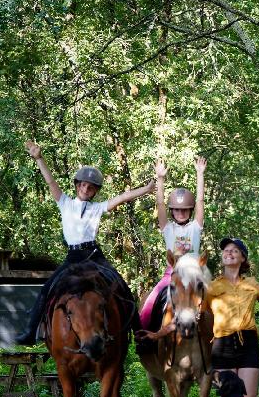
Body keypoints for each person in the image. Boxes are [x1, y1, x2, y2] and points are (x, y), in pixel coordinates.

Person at [15, 141, 155, 345]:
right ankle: (30, 332)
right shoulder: (65, 203)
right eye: (83, 185)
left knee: (121, 284)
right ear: (77, 185)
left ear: (95, 191)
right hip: (73, 256)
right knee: (47, 288)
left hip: (92, 255)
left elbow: (123, 197)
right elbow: (51, 182)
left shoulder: (97, 208)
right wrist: (39, 158)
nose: (86, 189)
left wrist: (147, 189)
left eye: (90, 187)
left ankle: (139, 333)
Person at [137, 154, 207, 349]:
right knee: (149, 304)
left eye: (184, 210)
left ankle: (219, 345)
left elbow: (200, 201)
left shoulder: (195, 227)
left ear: (191, 211)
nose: (180, 213)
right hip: (172, 275)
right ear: (172, 212)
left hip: (194, 275)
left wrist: (199, 174)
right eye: (176, 210)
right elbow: (159, 204)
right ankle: (145, 342)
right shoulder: (168, 228)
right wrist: (160, 180)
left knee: (216, 304)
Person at [207, 237, 259, 397]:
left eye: (235, 250)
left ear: (243, 258)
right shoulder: (211, 287)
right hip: (222, 345)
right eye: (226, 250)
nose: (229, 252)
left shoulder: (252, 284)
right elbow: (198, 312)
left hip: (248, 343)